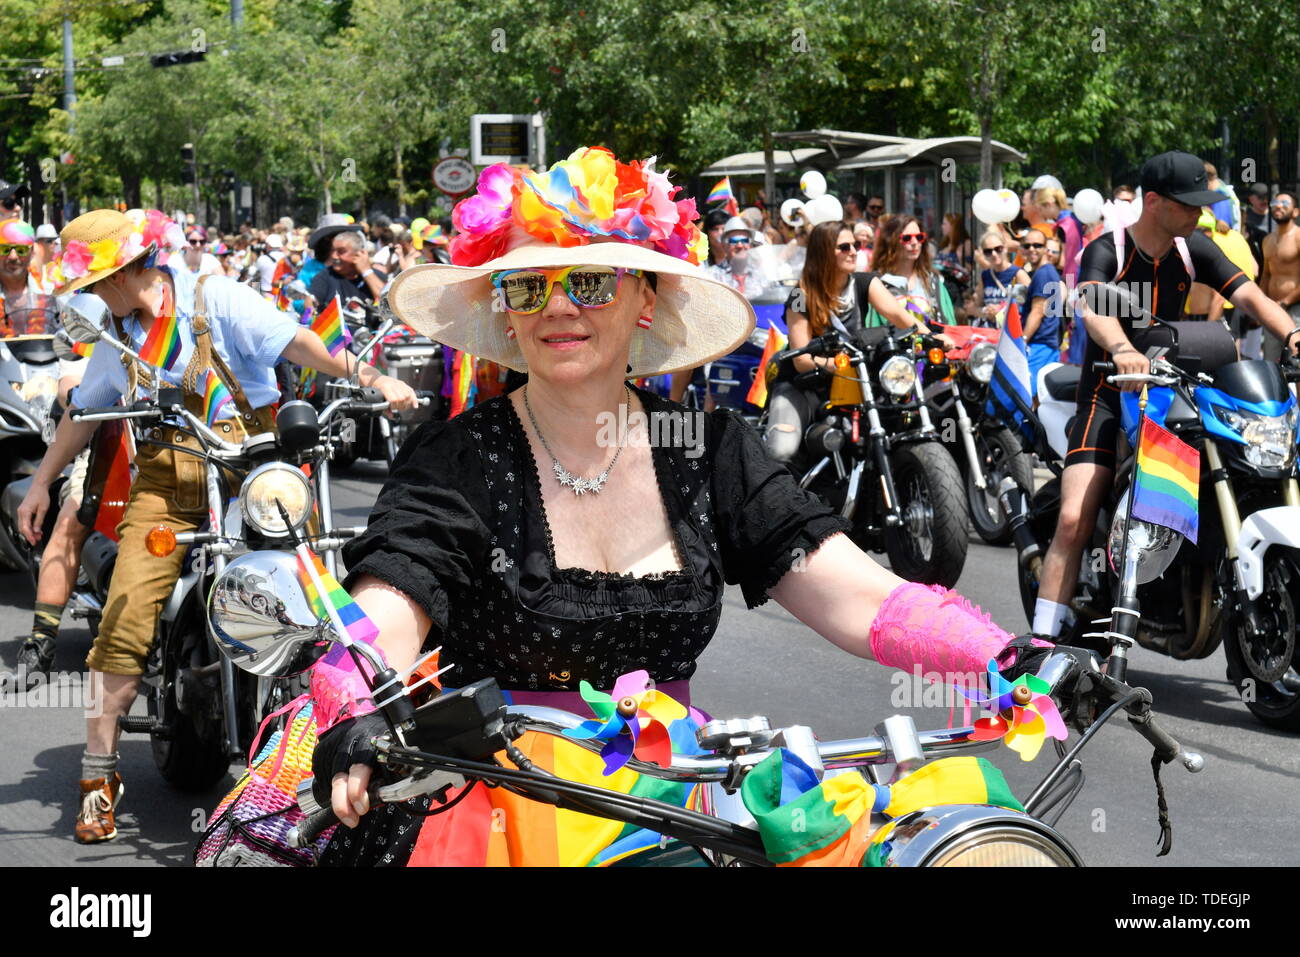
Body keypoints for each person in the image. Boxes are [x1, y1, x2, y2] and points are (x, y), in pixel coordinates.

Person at [303, 146, 1044, 867]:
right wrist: (354, 706)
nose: (558, 305)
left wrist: (1007, 657)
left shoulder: (705, 446)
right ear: (508, 313)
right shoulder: (454, 459)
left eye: (591, 281)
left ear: (646, 299)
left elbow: (859, 595)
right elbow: (385, 615)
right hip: (498, 810)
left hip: (680, 802)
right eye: (529, 286)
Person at [15, 208, 417, 844]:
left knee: (320, 595)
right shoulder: (117, 334)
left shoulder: (213, 296)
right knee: (123, 616)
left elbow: (296, 342)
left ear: (120, 273)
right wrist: (41, 483)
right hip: (167, 482)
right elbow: (84, 412)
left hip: (253, 467)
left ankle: (356, 739)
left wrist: (369, 377)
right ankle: (98, 775)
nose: (92, 294)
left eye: (94, 283)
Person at [1031, 151, 1300, 639]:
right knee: (1073, 519)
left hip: (1171, 394)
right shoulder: (1107, 247)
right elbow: (1092, 303)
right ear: (1153, 202)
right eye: (1190, 204)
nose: (1201, 214)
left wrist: (1294, 335)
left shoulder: (1192, 247)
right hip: (1110, 392)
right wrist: (1120, 349)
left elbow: (1250, 297)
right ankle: (1041, 644)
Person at [766, 221, 919, 463]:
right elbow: (802, 361)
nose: (854, 251)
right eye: (844, 247)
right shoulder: (799, 295)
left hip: (854, 382)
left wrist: (932, 336)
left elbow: (902, 318)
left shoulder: (865, 282)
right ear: (824, 252)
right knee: (782, 450)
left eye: (855, 245)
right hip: (805, 386)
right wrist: (835, 363)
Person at [866, 214, 956, 327]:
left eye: (919, 237)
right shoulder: (878, 284)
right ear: (891, 241)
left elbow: (949, 324)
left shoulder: (933, 282)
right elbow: (872, 328)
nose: (914, 243)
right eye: (907, 238)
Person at [1018, 229, 1063, 394]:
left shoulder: (1043, 274)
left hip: (1040, 346)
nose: (1032, 249)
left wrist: (1022, 341)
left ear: (1046, 248)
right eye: (1027, 245)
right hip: (1047, 346)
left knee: (1024, 396)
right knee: (1038, 401)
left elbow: (1038, 311)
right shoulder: (1047, 272)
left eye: (1037, 245)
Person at [1260, 192, 1300, 362]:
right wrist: (1260, 304)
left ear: (1295, 212)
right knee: (1271, 364)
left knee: (1297, 362)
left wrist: (1286, 302)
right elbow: (1266, 274)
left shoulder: (1298, 236)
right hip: (1272, 310)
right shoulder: (1268, 240)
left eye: (1284, 202)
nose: (1278, 205)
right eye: (1275, 201)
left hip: (1295, 309)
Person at [0, 219, 57, 336]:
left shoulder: (51, 296)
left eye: (21, 250)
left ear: (31, 252)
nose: (13, 257)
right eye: (5, 249)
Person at [973, 229, 1030, 327]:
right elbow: (976, 308)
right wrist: (986, 311)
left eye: (998, 249)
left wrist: (1001, 311)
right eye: (988, 251)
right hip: (989, 332)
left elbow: (1029, 306)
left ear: (1006, 248)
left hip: (1010, 332)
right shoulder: (985, 275)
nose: (994, 254)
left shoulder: (1018, 274)